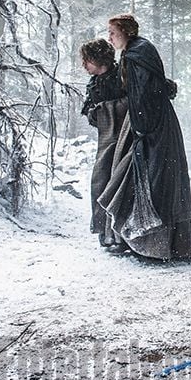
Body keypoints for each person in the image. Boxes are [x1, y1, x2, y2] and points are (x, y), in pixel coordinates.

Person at [98, 13, 191, 260]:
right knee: (148, 178)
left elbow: (146, 92)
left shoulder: (137, 52)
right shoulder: (134, 52)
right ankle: (147, 242)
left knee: (156, 180)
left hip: (153, 125)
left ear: (126, 32)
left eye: (113, 33)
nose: (110, 38)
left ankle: (158, 246)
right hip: (151, 122)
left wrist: (143, 130)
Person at [80, 39, 128, 249]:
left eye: (87, 60)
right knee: (101, 181)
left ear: (99, 58)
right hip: (107, 141)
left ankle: (122, 236)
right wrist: (96, 112)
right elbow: (89, 111)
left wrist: (110, 108)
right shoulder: (94, 83)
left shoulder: (122, 75)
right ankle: (107, 233)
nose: (84, 65)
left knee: (121, 184)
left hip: (127, 140)